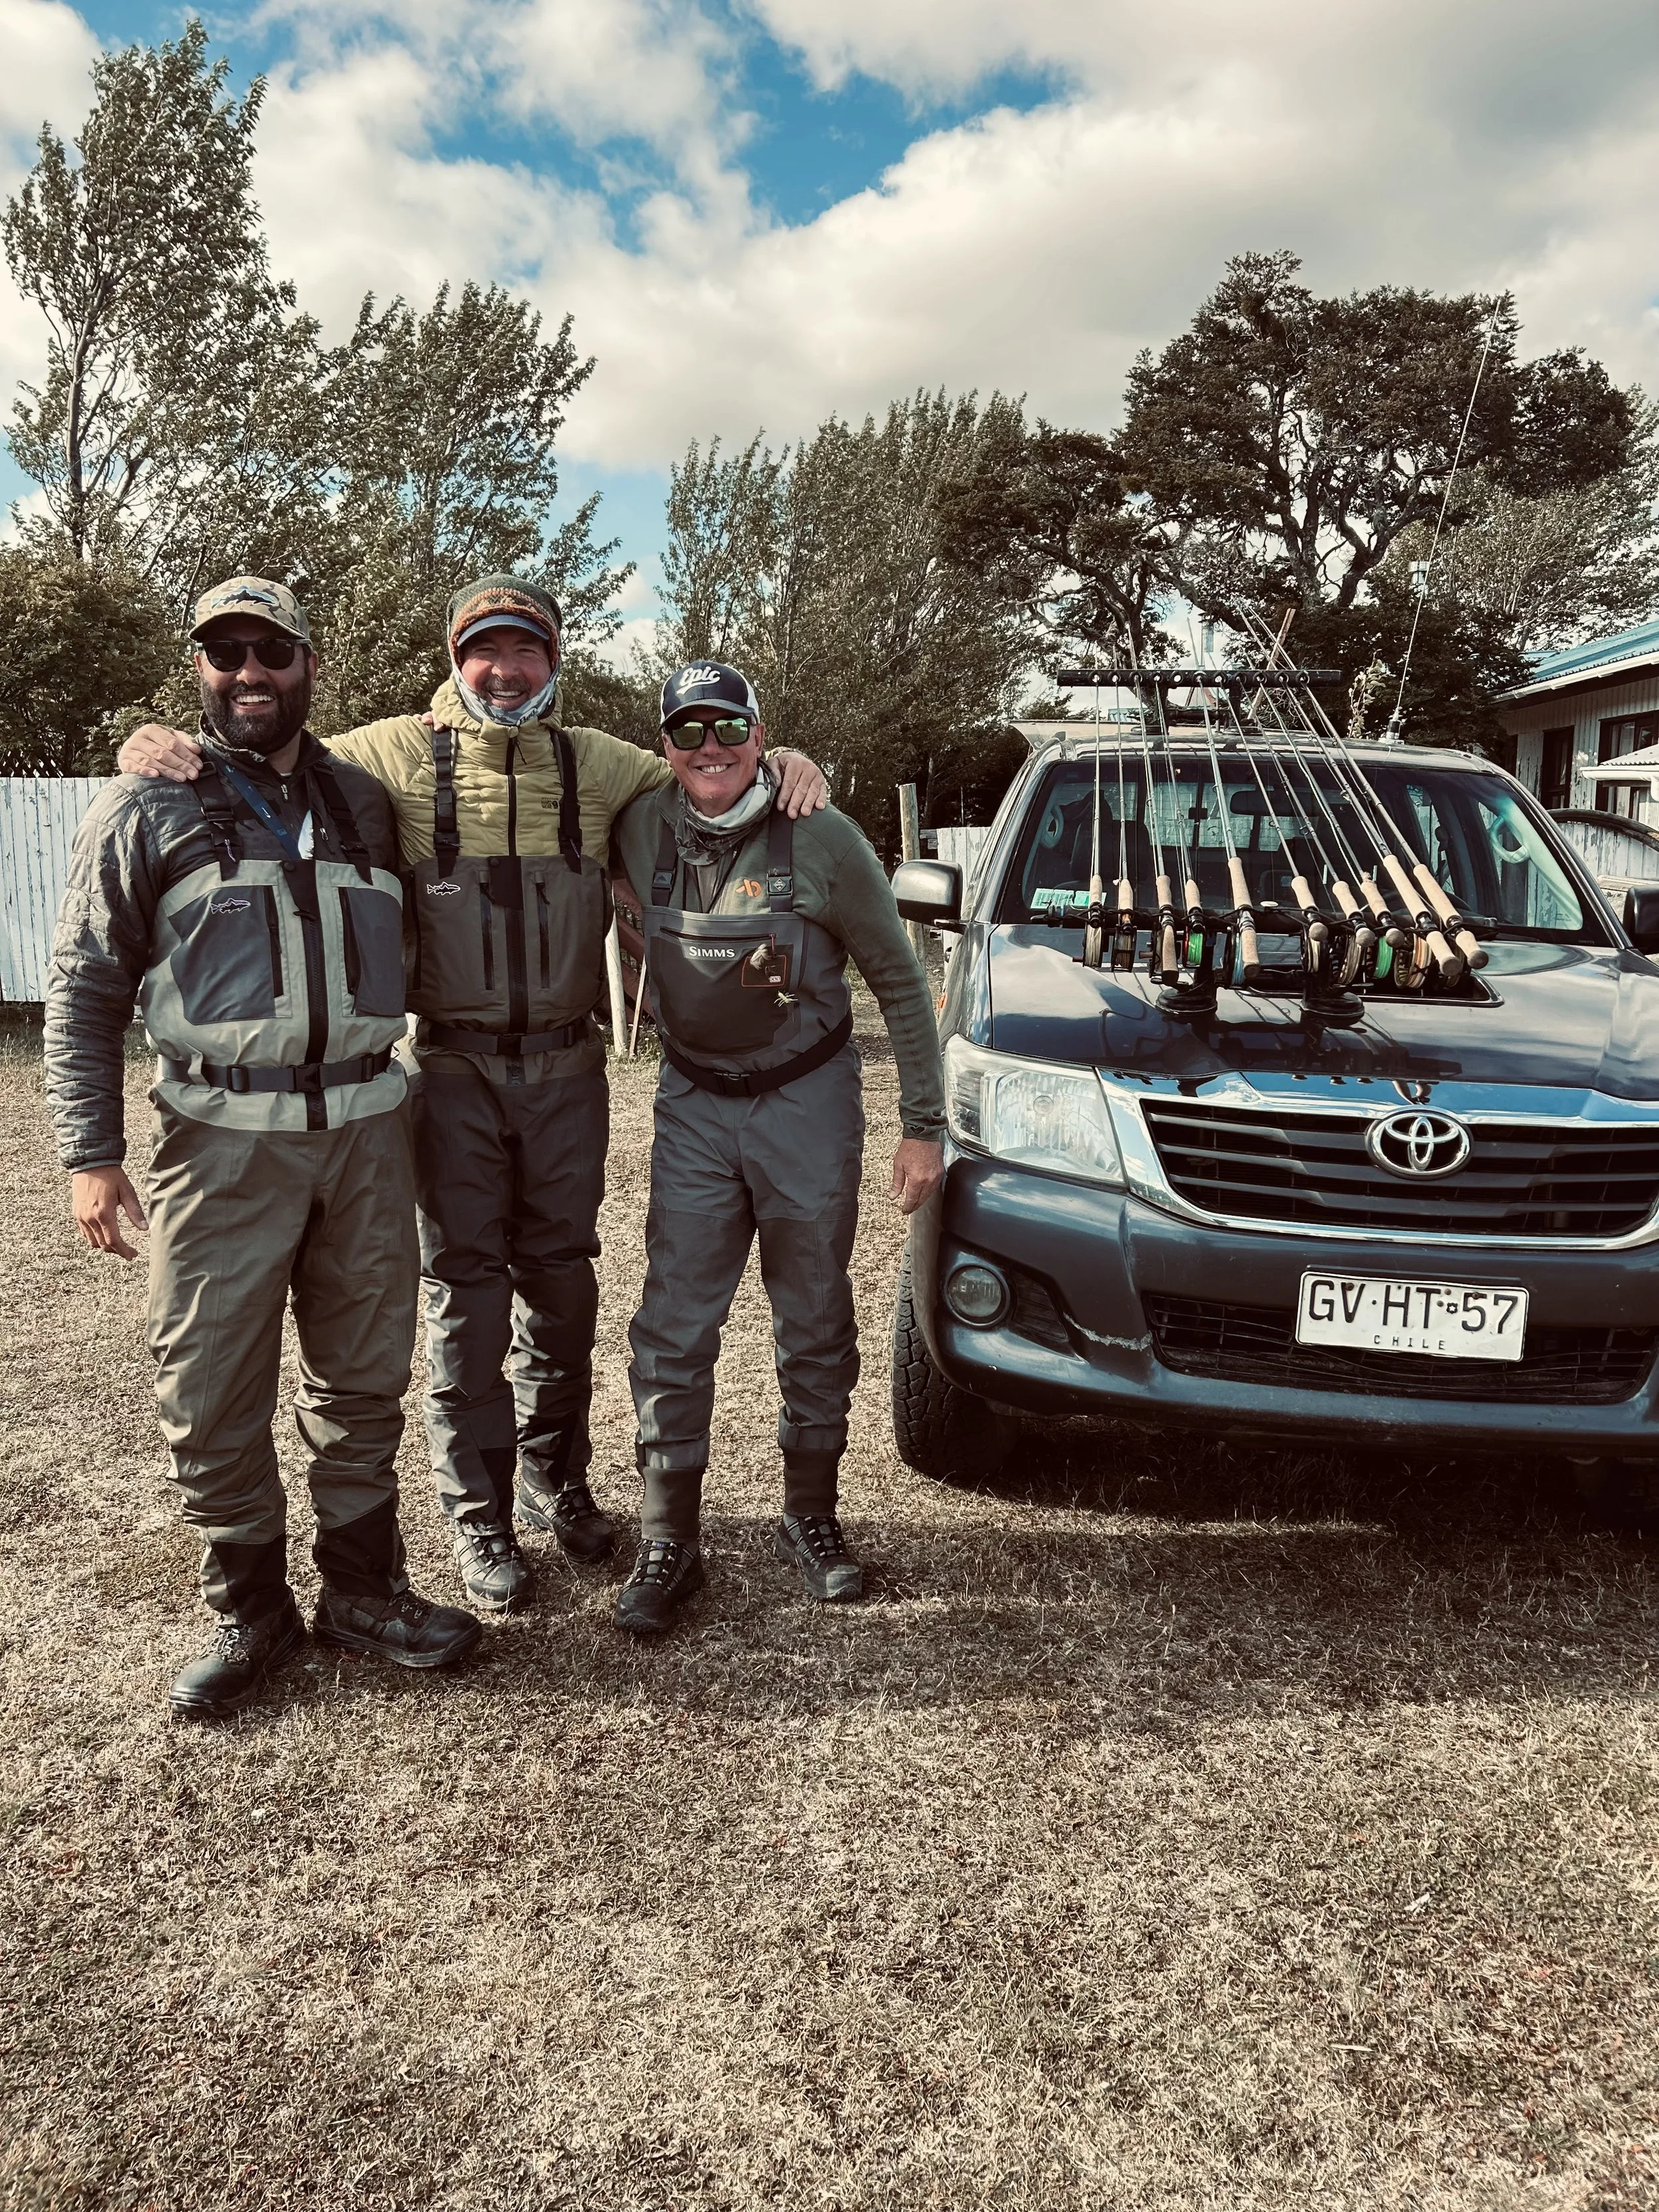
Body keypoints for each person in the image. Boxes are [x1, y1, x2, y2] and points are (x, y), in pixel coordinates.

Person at [117, 581, 829, 1617]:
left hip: (570, 1074)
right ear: (455, 660)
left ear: (553, 660)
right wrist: (151, 742)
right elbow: (261, 746)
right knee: (466, 1296)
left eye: (526, 652)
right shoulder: (385, 755)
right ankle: (478, 1508)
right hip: (449, 1074)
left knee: (564, 1285)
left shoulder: (600, 761)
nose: (506, 672)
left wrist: (790, 763)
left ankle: (556, 1479)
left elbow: (712, 775)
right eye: (485, 652)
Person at [48, 576, 481, 1719]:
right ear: (199, 668)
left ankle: (362, 1591)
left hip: (366, 1133)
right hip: (219, 1141)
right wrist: (89, 1154)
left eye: (271, 652)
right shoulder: (148, 806)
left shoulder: (366, 795)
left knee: (364, 1372)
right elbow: (85, 986)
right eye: (224, 653)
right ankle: (250, 1609)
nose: (248, 674)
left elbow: (477, 727)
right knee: (207, 1383)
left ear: (308, 664)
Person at [609, 660, 945, 1634]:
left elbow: (902, 984)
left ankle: (812, 1515)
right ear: (663, 744)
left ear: (761, 734)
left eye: (730, 729)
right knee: (673, 1320)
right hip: (694, 1108)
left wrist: (922, 1127)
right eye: (687, 731)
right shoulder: (633, 819)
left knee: (812, 1311)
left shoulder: (826, 837)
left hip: (808, 1103)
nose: (709, 749)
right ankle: (669, 1535)